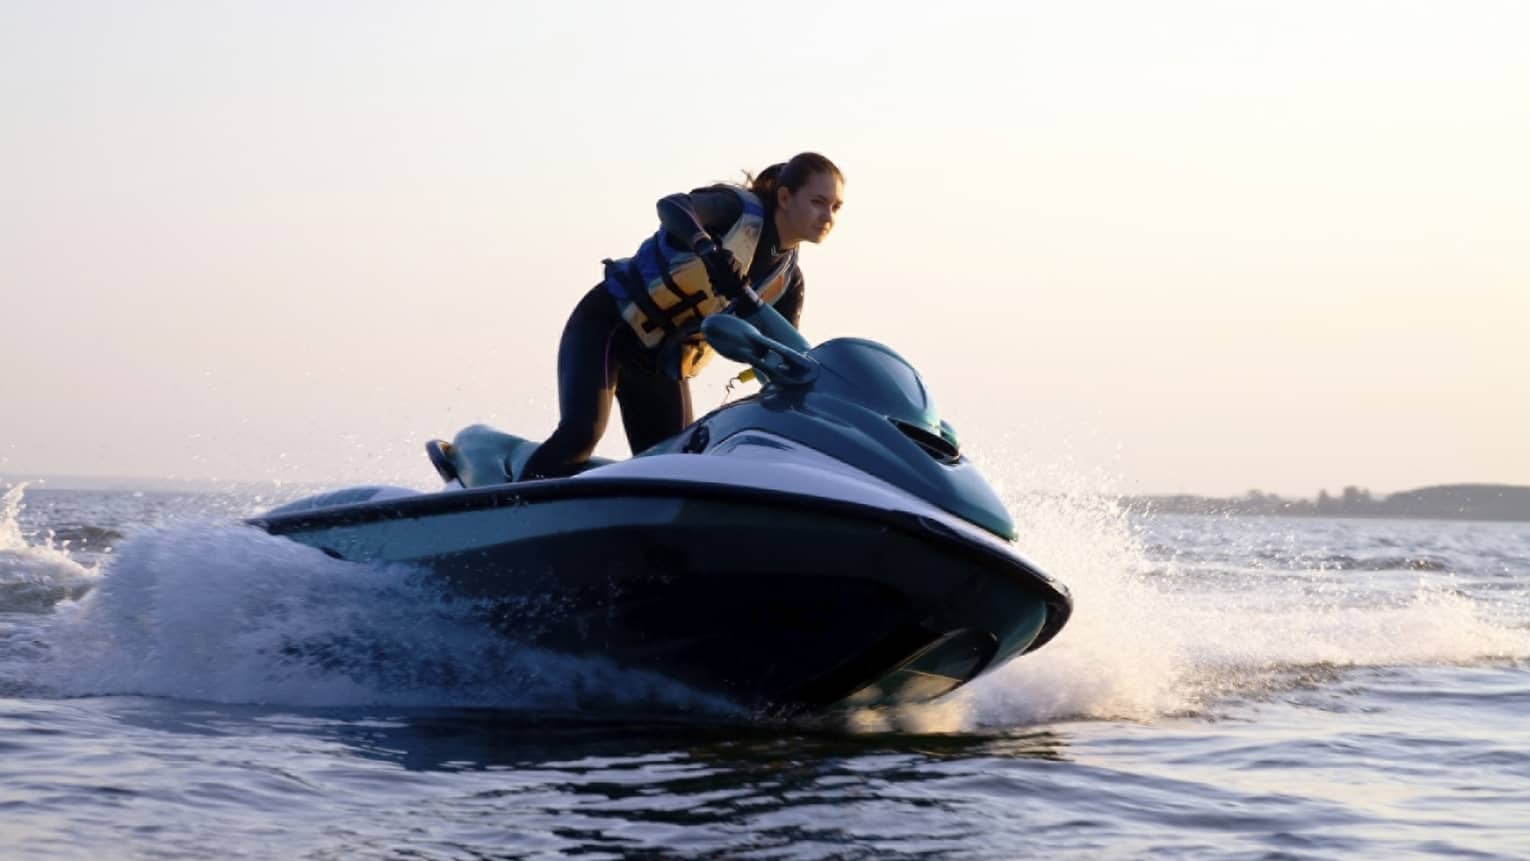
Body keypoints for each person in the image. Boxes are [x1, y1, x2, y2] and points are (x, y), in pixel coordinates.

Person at [518, 152, 845, 480]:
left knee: (675, 468)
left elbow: (782, 359)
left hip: (660, 362)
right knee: (581, 434)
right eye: (818, 202)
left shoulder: (787, 281)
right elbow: (671, 206)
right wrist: (708, 251)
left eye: (835, 207)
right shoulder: (735, 210)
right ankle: (509, 504)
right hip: (609, 324)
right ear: (785, 198)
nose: (827, 216)